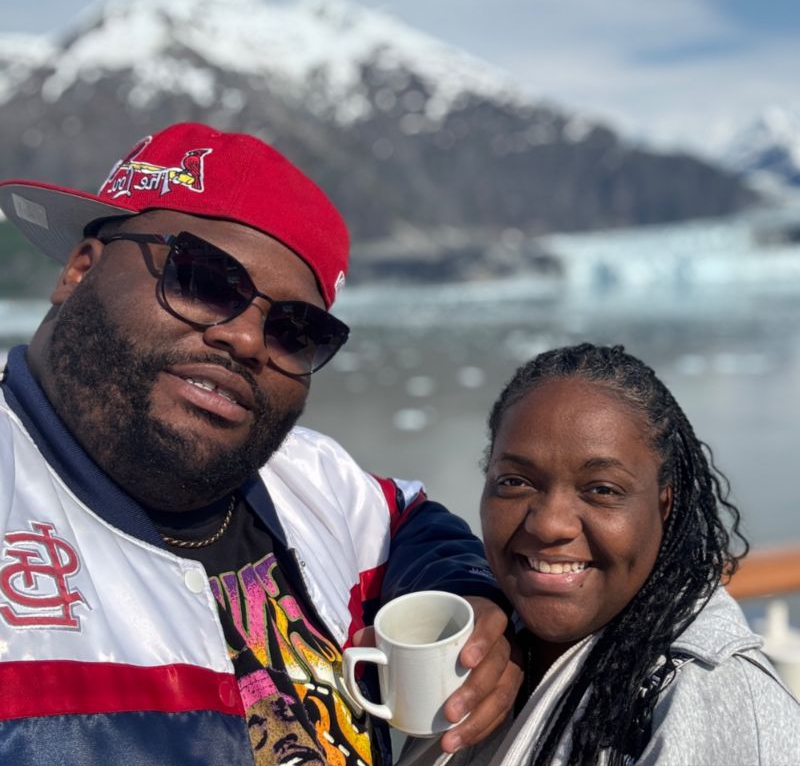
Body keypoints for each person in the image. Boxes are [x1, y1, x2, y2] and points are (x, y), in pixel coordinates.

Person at [0, 123, 520, 766]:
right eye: (203, 280)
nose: (246, 341)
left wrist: (471, 597)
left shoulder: (309, 476)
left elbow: (409, 520)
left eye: (293, 330)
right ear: (81, 270)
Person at [438, 343, 800, 766]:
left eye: (602, 489)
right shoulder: (482, 638)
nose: (550, 524)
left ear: (664, 505)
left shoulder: (710, 697)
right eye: (515, 482)